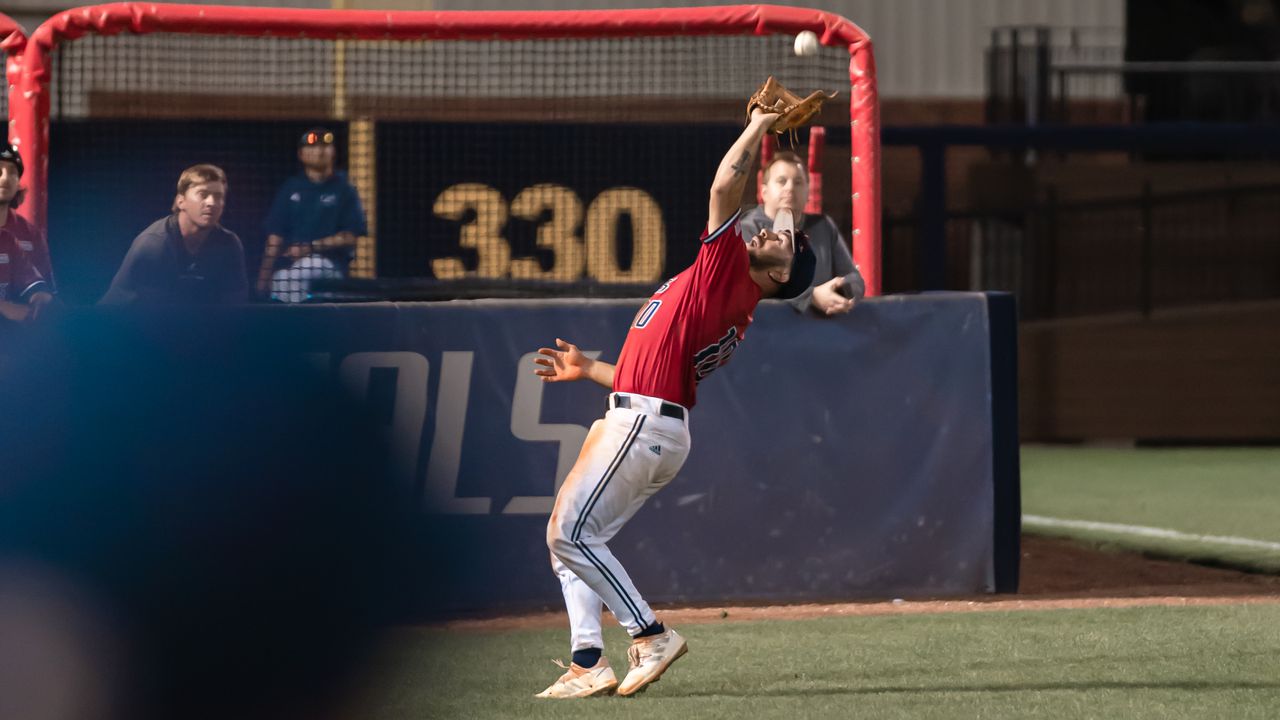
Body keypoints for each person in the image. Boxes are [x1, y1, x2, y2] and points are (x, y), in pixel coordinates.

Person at [529, 106, 815, 699]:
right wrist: (589, 370)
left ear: (782, 272)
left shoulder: (728, 274)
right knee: (573, 543)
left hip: (642, 425)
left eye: (782, 240)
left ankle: (650, 634)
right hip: (648, 418)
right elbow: (651, 371)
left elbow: (722, 185)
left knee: (568, 536)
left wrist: (761, 126)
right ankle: (588, 660)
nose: (769, 230)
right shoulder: (735, 287)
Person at [739, 150, 865, 317]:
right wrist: (810, 297)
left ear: (808, 191)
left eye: (798, 182)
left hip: (821, 333)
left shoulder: (824, 226)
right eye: (781, 181)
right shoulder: (747, 230)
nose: (790, 188)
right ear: (764, 192)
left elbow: (855, 279)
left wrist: (839, 290)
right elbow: (747, 288)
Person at [101, 164, 248, 305]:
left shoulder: (229, 244)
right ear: (181, 201)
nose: (211, 202)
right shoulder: (154, 245)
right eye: (203, 194)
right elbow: (150, 316)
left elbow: (235, 307)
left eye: (218, 196)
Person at [257, 128, 368, 303]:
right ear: (301, 154)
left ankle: (301, 326)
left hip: (331, 265)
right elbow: (275, 236)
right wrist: (263, 278)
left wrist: (310, 247)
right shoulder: (291, 187)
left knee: (299, 273)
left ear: (333, 152)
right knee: (280, 278)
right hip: (293, 265)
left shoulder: (344, 188)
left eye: (325, 146)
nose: (319, 151)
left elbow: (350, 236)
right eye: (312, 147)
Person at [0, 144, 54, 324]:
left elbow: (35, 283)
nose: (6, 178)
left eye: (13, 172)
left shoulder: (9, 238)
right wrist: (3, 307)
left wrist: (40, 296)